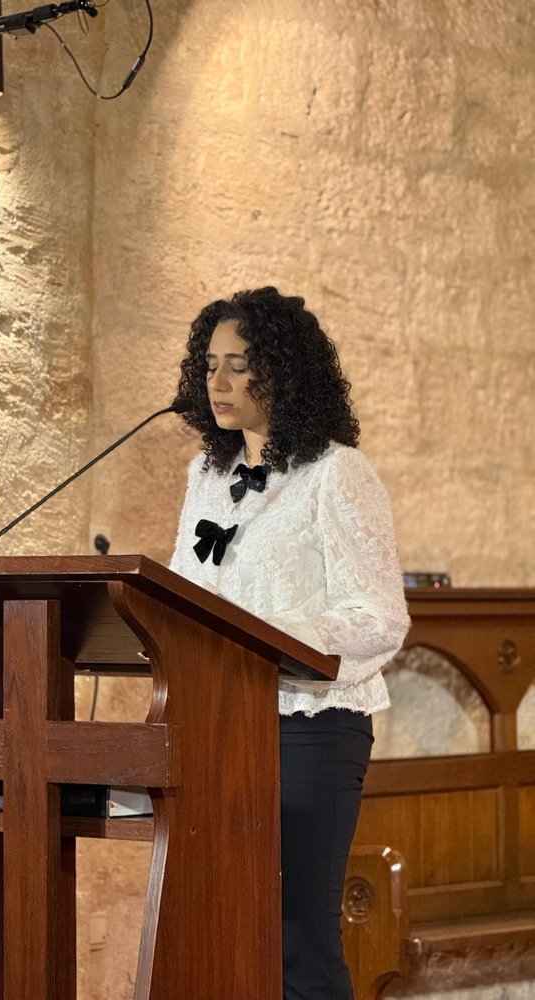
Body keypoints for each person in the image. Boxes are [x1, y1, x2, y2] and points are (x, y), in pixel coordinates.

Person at [169, 286, 409, 1000]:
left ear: (282, 370)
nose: (218, 382)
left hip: (312, 725)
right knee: (227, 929)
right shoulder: (206, 477)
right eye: (209, 365)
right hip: (220, 723)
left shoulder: (337, 473)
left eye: (239, 365)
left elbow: (379, 615)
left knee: (297, 938)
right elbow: (182, 591)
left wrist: (268, 638)